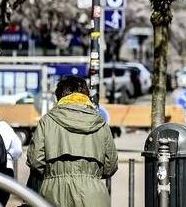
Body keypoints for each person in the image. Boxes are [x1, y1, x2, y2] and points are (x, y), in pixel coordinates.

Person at [27, 76, 118, 207]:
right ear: (87, 96)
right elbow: (111, 165)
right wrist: (91, 175)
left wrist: (52, 174)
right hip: (93, 195)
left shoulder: (47, 121)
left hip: (53, 193)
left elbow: (35, 160)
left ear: (59, 97)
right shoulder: (100, 123)